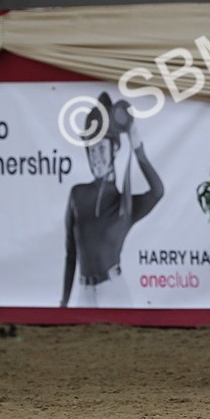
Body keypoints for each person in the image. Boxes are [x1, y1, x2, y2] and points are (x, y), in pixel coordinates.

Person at [60, 92, 165, 308]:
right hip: (84, 293)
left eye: (100, 148)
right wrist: (64, 302)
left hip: (113, 291)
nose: (95, 157)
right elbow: (71, 253)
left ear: (114, 149)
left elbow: (157, 191)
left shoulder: (126, 205)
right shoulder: (77, 194)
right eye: (91, 150)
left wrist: (137, 147)